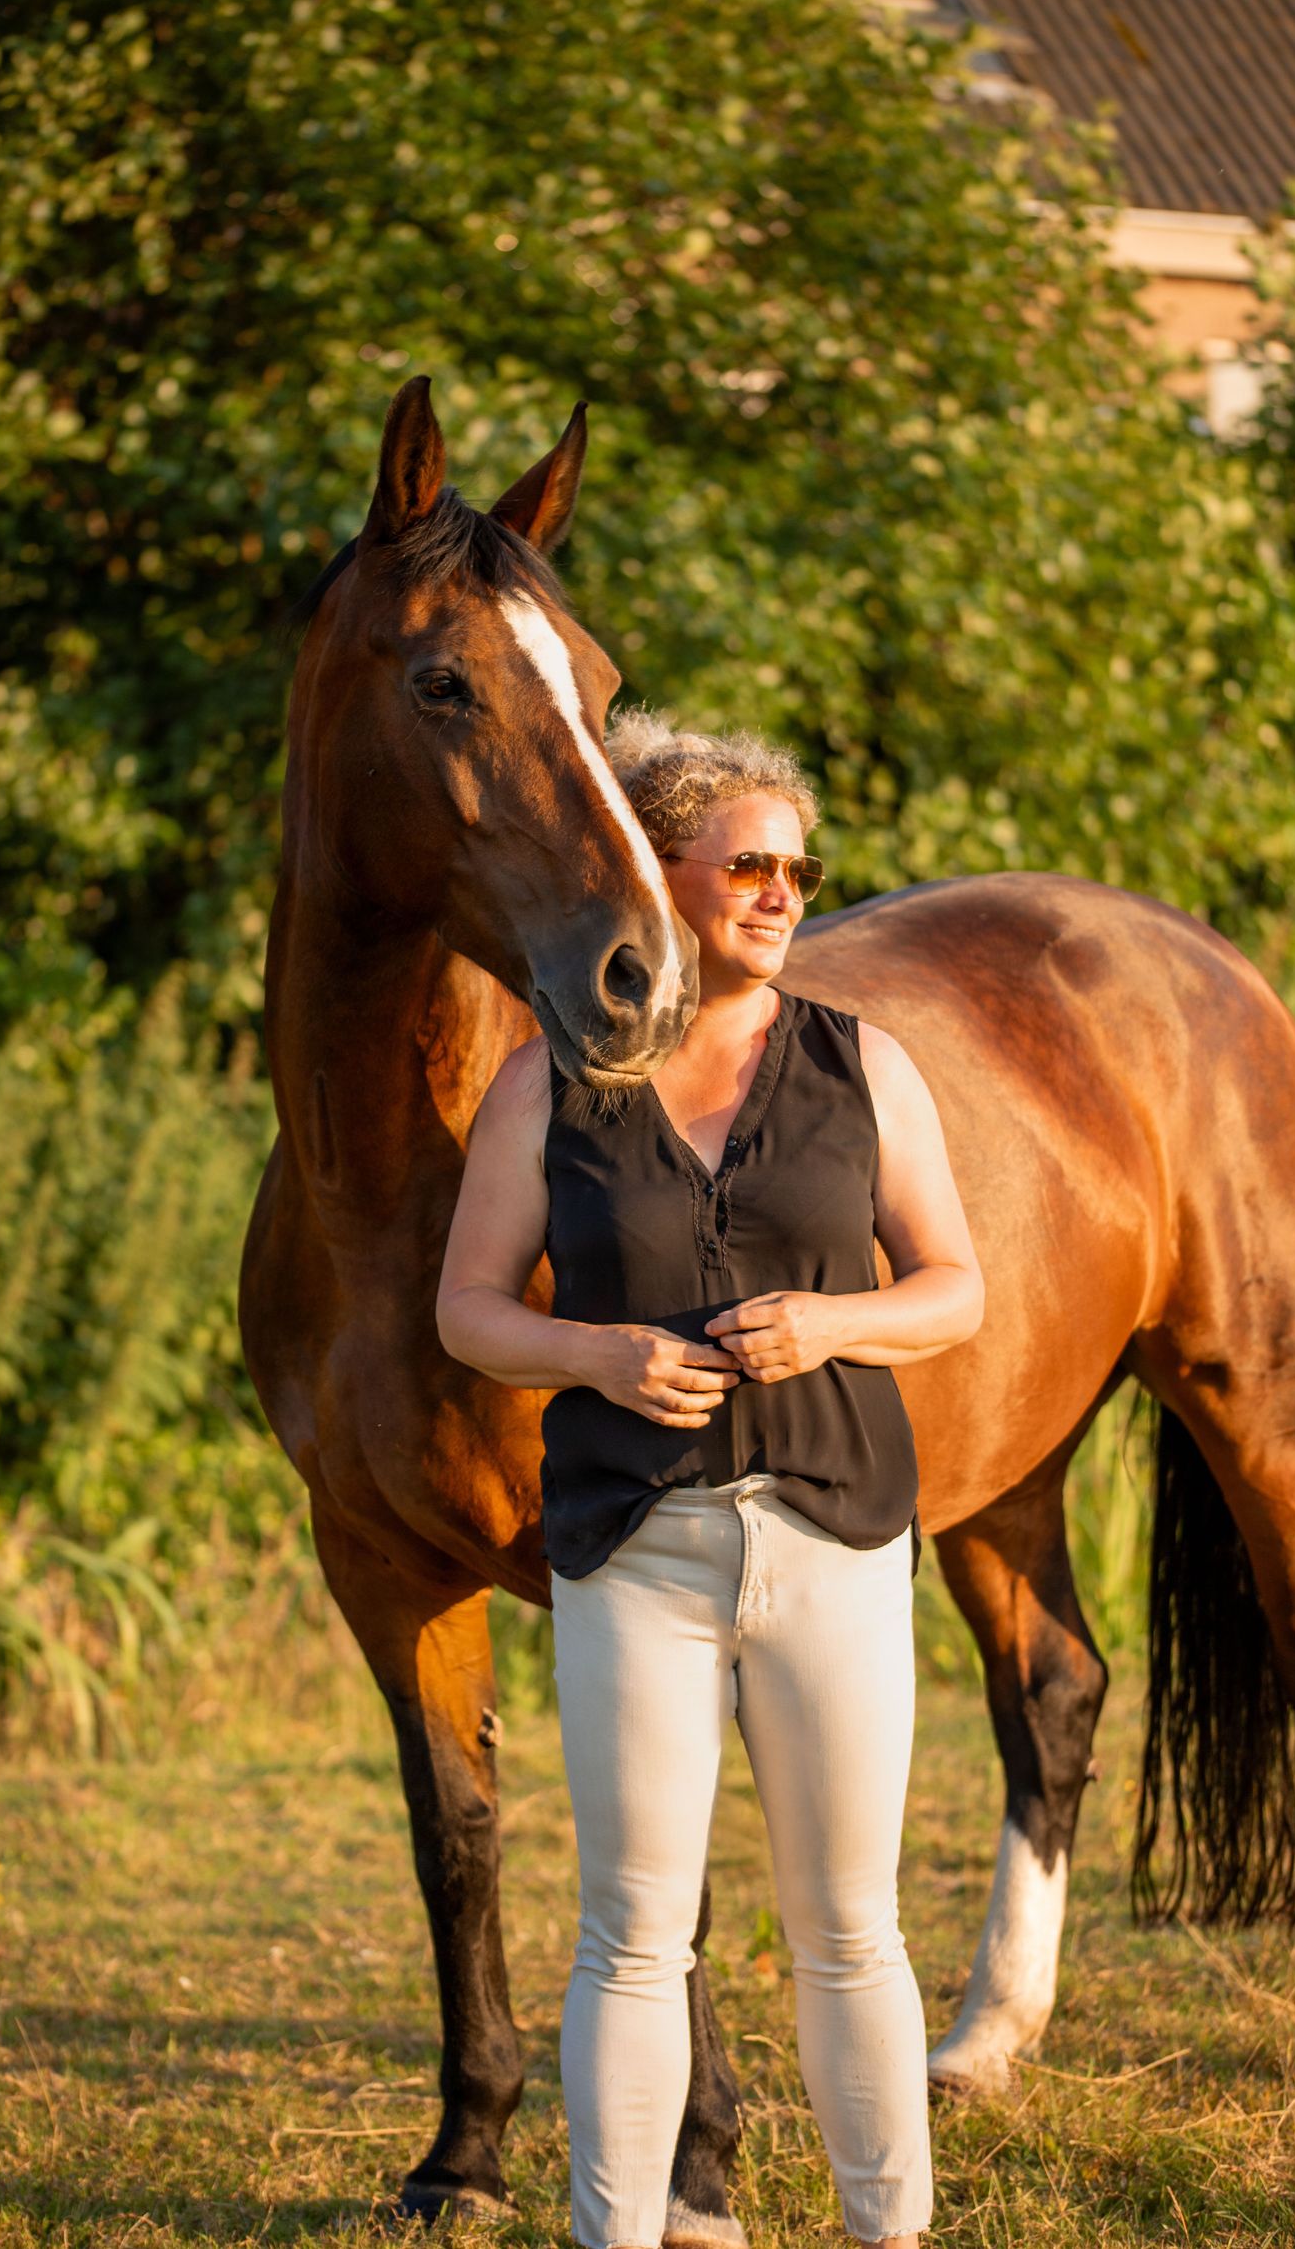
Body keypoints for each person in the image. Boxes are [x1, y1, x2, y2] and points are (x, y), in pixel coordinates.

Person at [436, 713, 984, 2249]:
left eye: (798, 868)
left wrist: (837, 1320)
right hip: (633, 1550)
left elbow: (957, 1288)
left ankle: (890, 2234)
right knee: (628, 1932)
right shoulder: (553, 1087)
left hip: (837, 1544)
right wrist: (599, 1357)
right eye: (747, 862)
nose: (780, 890)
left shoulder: (863, 1061)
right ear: (666, 875)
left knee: (851, 1930)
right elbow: (466, 1308)